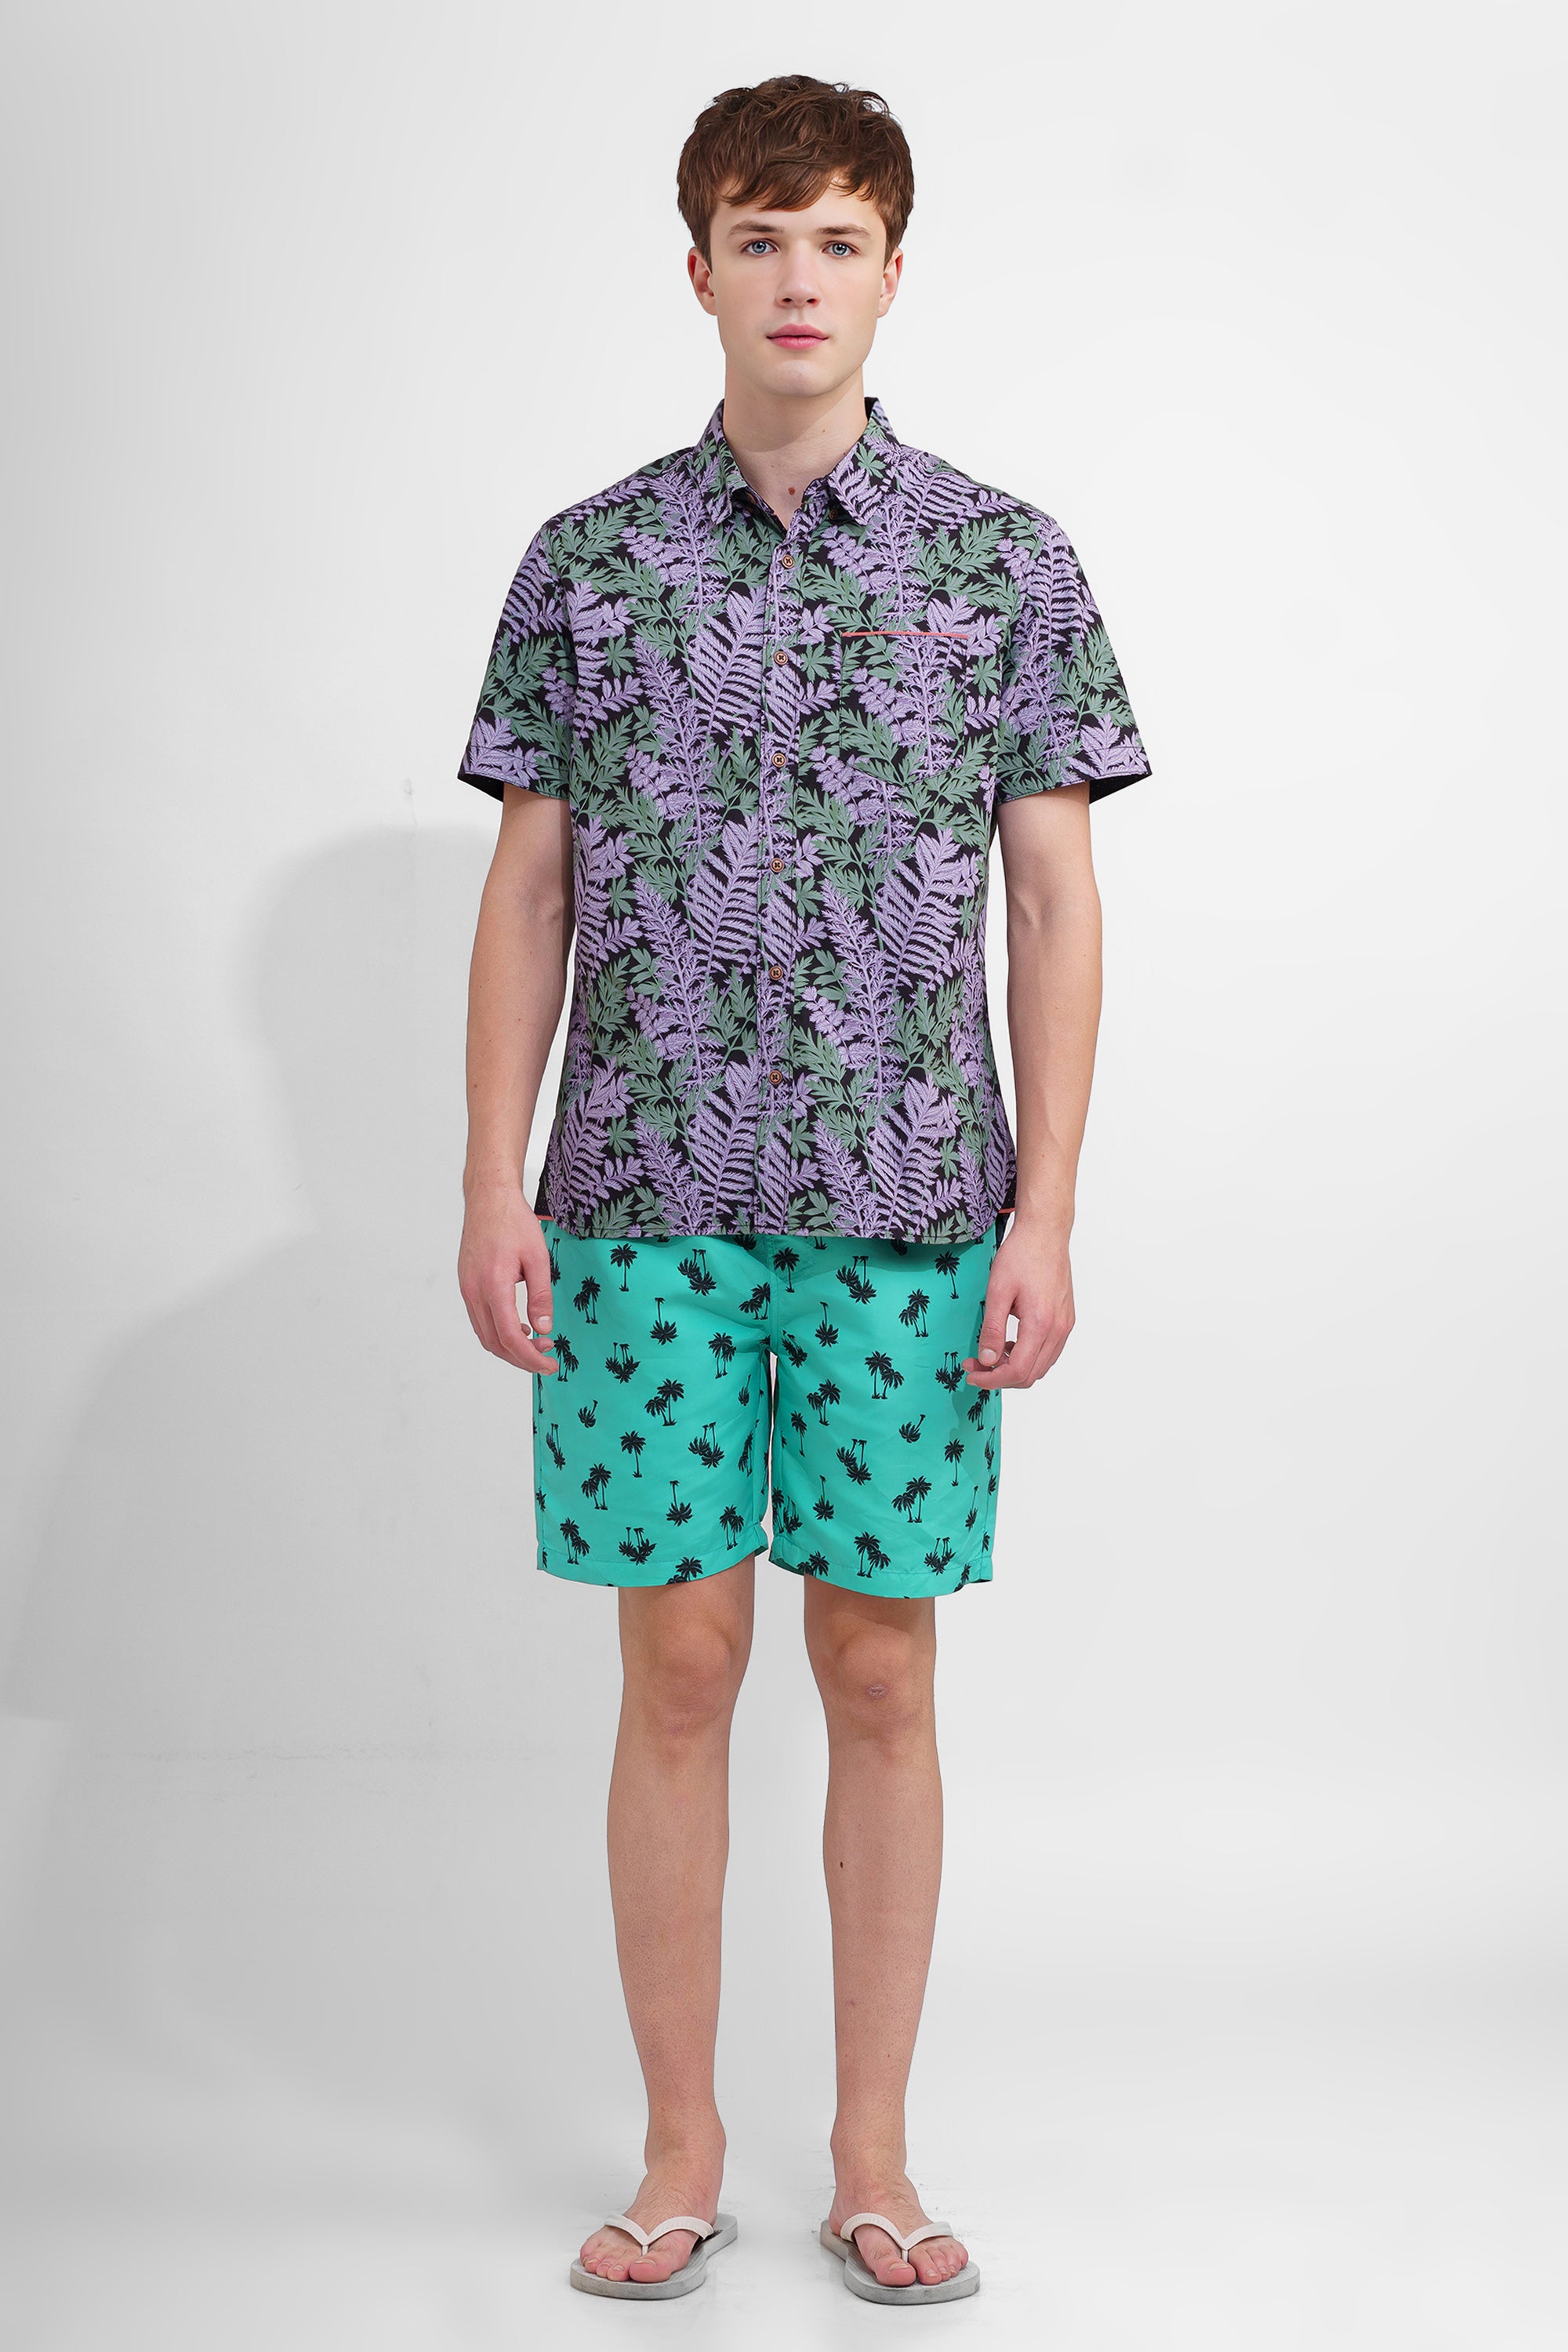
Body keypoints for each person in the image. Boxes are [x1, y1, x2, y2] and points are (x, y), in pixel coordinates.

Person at [456, 73, 1151, 2306]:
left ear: (891, 274)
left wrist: (1046, 1212)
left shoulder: (1003, 561)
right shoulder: (587, 563)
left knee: (877, 1671)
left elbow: (1054, 901)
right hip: (641, 1199)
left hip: (913, 1206)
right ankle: (681, 2152)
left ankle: (875, 2156)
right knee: (678, 1667)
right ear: (698, 269)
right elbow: (530, 891)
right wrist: (491, 1181)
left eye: (836, 240)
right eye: (759, 239)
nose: (796, 279)